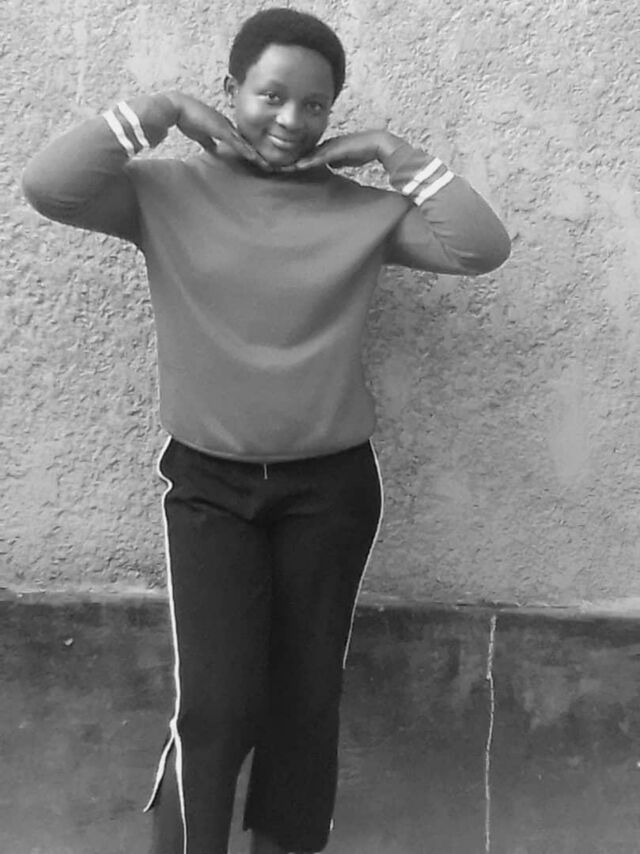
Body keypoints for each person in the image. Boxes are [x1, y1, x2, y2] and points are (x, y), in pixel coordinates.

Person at [22, 7, 510, 853]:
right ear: (232, 90)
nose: (292, 120)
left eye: (315, 105)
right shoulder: (165, 193)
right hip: (209, 485)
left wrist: (390, 150)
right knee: (216, 703)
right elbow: (49, 186)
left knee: (305, 697)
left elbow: (480, 247)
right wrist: (163, 110)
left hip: (331, 488)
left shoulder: (362, 212)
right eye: (271, 95)